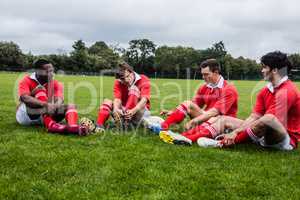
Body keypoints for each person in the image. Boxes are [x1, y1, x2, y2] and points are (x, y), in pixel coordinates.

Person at [197, 51, 300, 150]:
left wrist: (236, 133)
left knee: (268, 119)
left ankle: (221, 143)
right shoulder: (265, 90)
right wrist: (236, 131)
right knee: (224, 119)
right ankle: (189, 137)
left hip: (286, 140)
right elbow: (254, 116)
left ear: (275, 70)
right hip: (265, 134)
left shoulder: (288, 90)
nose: (262, 70)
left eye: (264, 67)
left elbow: (269, 120)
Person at [153, 59, 238, 145]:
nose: (203, 77)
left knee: (214, 118)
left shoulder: (228, 89)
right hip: (207, 118)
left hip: (221, 123)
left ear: (216, 72)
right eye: (202, 74)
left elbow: (214, 112)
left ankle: (183, 137)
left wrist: (193, 121)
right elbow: (194, 105)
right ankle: (162, 127)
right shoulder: (205, 87)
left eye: (206, 74)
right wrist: (175, 112)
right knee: (188, 104)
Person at [16, 58, 89, 135]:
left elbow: (60, 99)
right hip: (27, 116)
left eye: (52, 71)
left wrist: (55, 106)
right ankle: (50, 125)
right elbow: (25, 98)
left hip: (46, 114)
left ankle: (73, 127)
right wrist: (45, 104)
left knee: (71, 106)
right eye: (48, 72)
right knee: (40, 89)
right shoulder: (26, 80)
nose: (52, 74)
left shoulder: (55, 83)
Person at [95, 62, 151, 131]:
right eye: (123, 79)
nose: (126, 80)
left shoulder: (143, 79)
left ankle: (125, 122)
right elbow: (117, 99)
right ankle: (99, 126)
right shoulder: (118, 82)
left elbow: (144, 100)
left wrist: (133, 110)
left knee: (134, 88)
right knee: (107, 101)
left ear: (131, 72)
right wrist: (116, 109)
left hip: (140, 111)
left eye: (127, 76)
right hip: (124, 110)